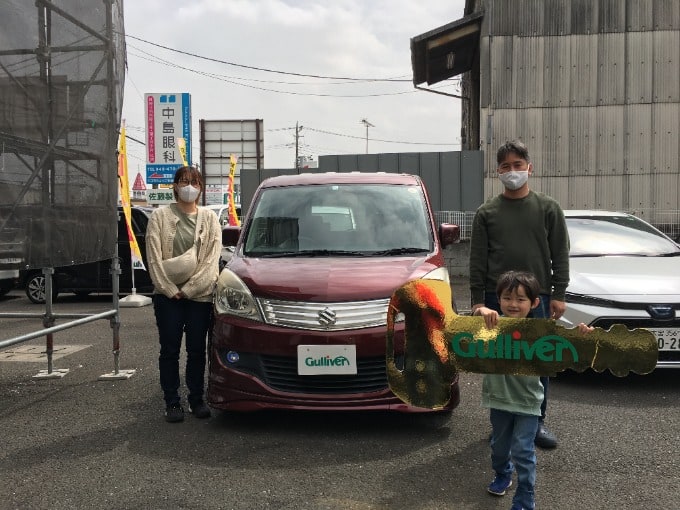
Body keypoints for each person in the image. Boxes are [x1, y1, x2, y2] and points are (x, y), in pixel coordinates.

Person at [469, 139, 570, 449]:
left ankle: (536, 423)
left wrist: (559, 293)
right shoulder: (486, 212)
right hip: (495, 301)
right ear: (497, 172)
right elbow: (477, 260)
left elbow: (560, 254)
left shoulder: (548, 208)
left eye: (517, 165)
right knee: (499, 364)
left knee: (537, 362)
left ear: (529, 168)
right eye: (505, 167)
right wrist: (476, 302)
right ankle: (501, 425)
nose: (512, 171)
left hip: (536, 300)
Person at [474, 271, 592, 510]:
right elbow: (465, 335)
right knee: (498, 448)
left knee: (523, 450)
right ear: (498, 300)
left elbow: (568, 345)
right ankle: (503, 474)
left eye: (521, 299)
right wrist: (480, 311)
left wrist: (581, 336)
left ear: (535, 303)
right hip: (498, 400)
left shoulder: (542, 331)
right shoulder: (491, 326)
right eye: (507, 298)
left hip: (528, 403)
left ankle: (525, 495)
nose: (513, 304)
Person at [146, 166, 222, 423]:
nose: (188, 186)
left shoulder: (210, 218)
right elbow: (154, 259)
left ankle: (196, 399)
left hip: (199, 296)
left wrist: (189, 289)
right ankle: (172, 402)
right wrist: (169, 290)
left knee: (197, 350)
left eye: (194, 182)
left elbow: (212, 260)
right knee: (169, 349)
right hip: (167, 297)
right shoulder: (159, 216)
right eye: (183, 181)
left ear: (200, 187)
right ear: (175, 186)